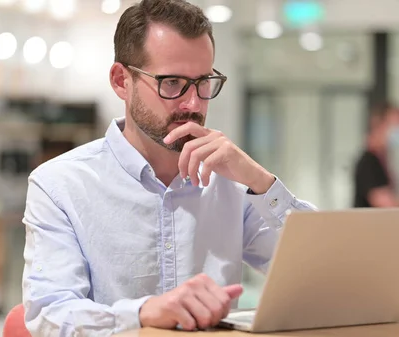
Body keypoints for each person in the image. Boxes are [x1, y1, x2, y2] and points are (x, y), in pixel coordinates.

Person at [21, 1, 316, 336]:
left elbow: (325, 272)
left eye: (203, 82)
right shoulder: (60, 184)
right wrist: (144, 313)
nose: (193, 104)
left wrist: (259, 180)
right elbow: (50, 315)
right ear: (121, 81)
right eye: (172, 82)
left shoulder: (231, 182)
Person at [353, 101, 399, 208]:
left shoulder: (384, 159)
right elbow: (386, 203)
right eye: (396, 126)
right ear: (380, 125)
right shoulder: (368, 162)